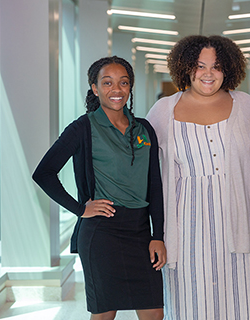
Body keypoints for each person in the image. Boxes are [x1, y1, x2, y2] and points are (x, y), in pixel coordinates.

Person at [32, 56, 166, 320]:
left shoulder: (145, 129)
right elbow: (44, 173)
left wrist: (158, 235)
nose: (116, 90)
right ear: (94, 88)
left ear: (130, 87)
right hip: (102, 233)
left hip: (140, 232)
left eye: (123, 82)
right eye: (107, 83)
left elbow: (155, 184)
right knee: (105, 314)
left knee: (154, 313)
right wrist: (80, 209)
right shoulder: (83, 128)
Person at [146, 35, 250, 320]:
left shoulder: (246, 106)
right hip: (186, 227)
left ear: (229, 69)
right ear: (186, 68)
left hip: (238, 222)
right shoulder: (164, 110)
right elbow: (141, 164)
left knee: (242, 302)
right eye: (200, 66)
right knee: (190, 303)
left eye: (216, 66)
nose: (208, 74)